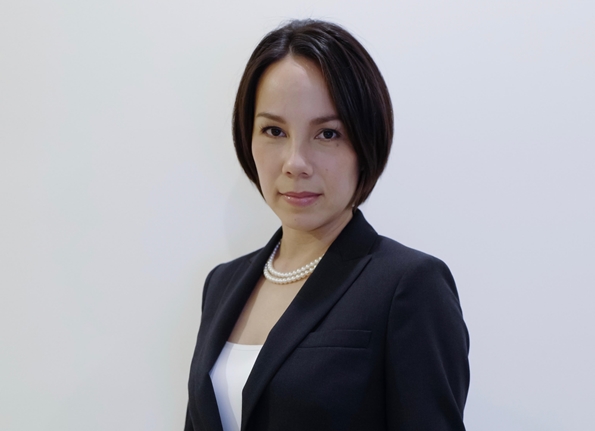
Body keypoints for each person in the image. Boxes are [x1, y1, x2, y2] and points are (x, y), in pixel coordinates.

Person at [185, 19, 470, 431]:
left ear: (365, 143)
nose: (295, 163)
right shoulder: (221, 284)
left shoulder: (409, 285)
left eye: (328, 134)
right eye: (274, 130)